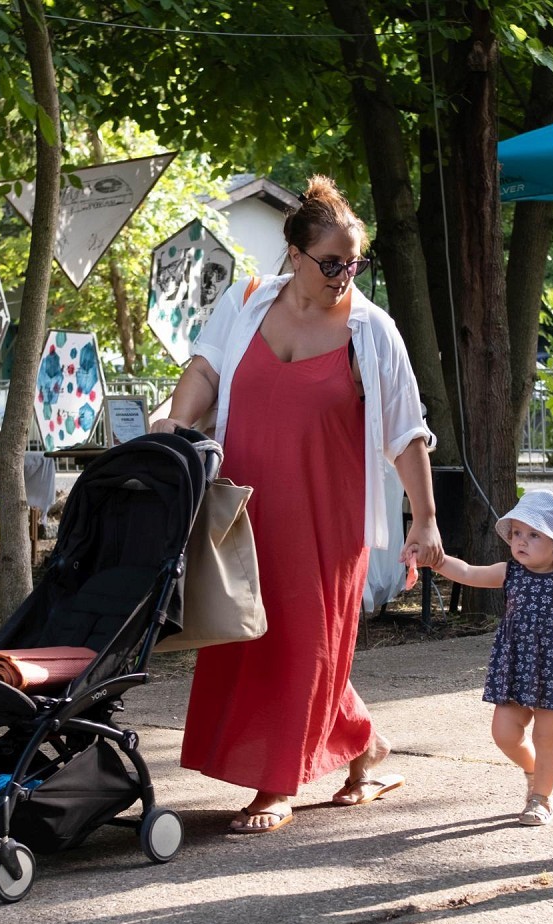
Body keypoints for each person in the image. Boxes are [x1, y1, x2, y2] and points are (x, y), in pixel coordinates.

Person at [149, 175, 443, 835]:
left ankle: (276, 784)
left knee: (306, 643)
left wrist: (424, 519)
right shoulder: (245, 301)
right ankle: (366, 749)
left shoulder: (372, 331)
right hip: (241, 510)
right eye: (331, 262)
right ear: (294, 254)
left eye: (354, 263)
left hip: (326, 518)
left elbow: (405, 431)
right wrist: (176, 422)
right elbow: (205, 369)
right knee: (252, 634)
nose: (344, 275)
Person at [429, 490, 553, 827]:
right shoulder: (510, 572)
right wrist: (437, 561)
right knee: (504, 733)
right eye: (517, 533)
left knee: (546, 738)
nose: (521, 540)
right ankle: (534, 770)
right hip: (517, 668)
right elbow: (469, 573)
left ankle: (541, 798)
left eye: (534, 534)